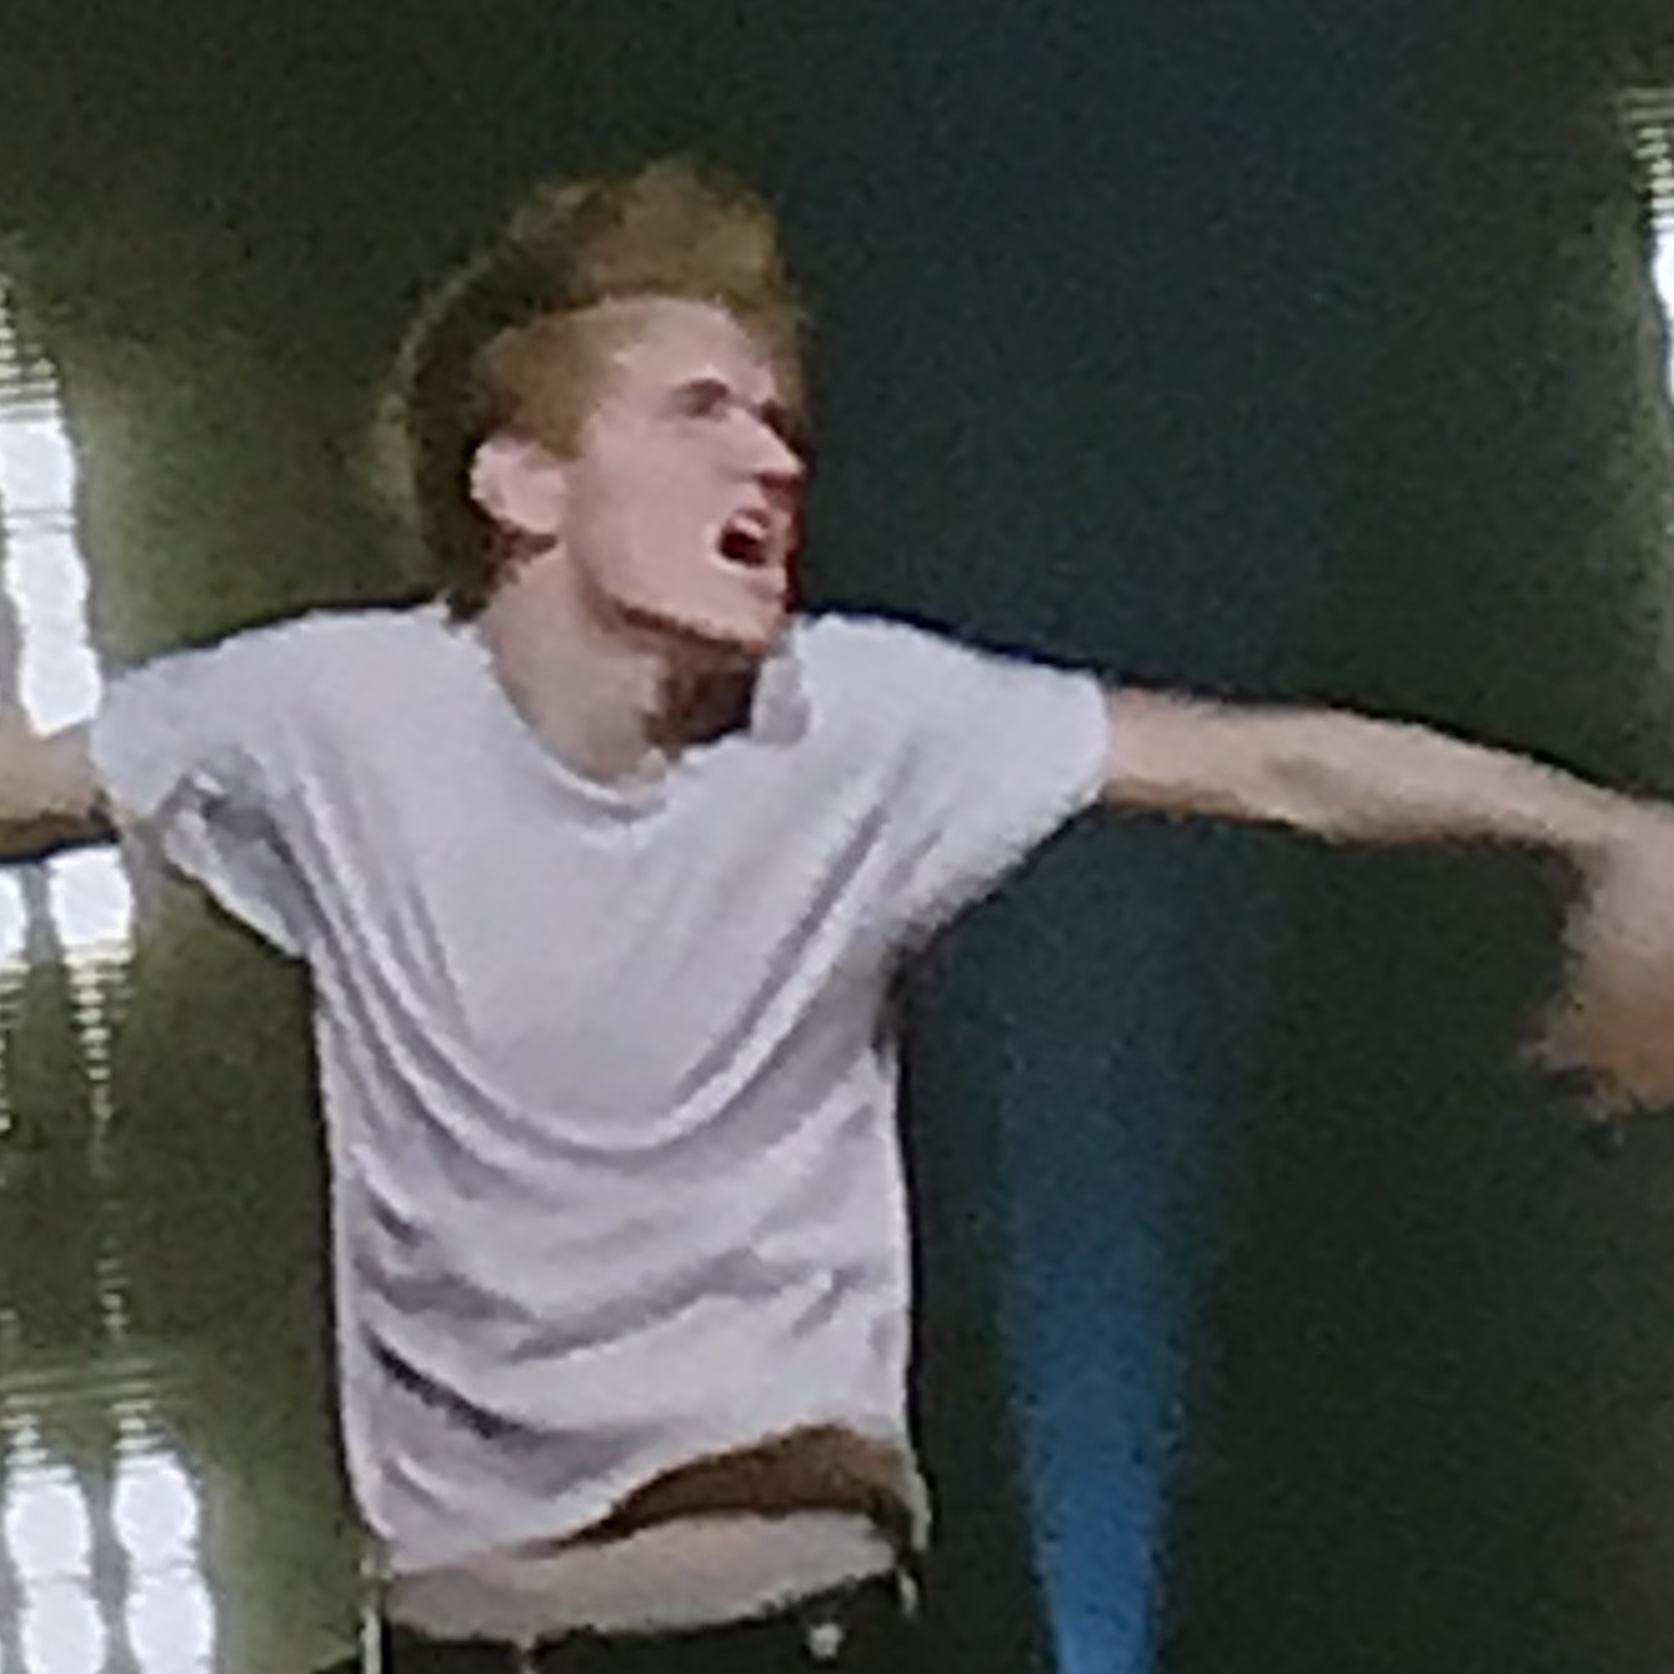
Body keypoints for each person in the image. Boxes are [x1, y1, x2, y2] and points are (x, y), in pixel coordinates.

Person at [6, 155, 1674, 1673]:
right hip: (465, 1632)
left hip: (797, 1620)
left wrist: (1611, 831)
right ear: (521, 481)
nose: (771, 455)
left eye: (778, 418)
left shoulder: (859, 723)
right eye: (699, 410)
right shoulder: (321, 719)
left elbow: (1274, 762)